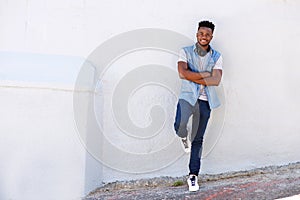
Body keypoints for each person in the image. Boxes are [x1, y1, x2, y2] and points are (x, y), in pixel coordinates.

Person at [174, 20, 223, 192]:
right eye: (201, 33)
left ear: (211, 36)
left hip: (205, 101)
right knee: (179, 125)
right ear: (197, 34)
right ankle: (182, 136)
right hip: (187, 97)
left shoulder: (217, 56)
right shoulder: (185, 51)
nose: (204, 37)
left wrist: (192, 75)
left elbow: (216, 80)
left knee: (198, 139)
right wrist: (205, 76)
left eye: (208, 34)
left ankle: (193, 176)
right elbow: (182, 72)